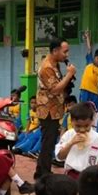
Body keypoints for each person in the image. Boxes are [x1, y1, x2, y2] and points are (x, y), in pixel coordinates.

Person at [35, 37, 76, 179]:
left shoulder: (55, 65)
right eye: (65, 51)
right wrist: (69, 74)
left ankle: (40, 171)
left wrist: (68, 80)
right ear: (55, 51)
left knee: (48, 142)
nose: (67, 55)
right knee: (48, 143)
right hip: (48, 111)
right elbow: (54, 90)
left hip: (54, 110)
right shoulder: (47, 67)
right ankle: (44, 175)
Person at [55, 102, 98, 179]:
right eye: (78, 126)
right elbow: (60, 156)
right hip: (71, 174)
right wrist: (71, 143)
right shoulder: (68, 135)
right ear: (71, 121)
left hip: (90, 176)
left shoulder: (97, 138)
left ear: (92, 121)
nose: (82, 130)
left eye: (86, 126)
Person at [79, 31, 98, 114]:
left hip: (95, 92)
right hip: (85, 90)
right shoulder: (90, 63)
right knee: (83, 109)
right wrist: (87, 38)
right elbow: (89, 49)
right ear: (94, 58)